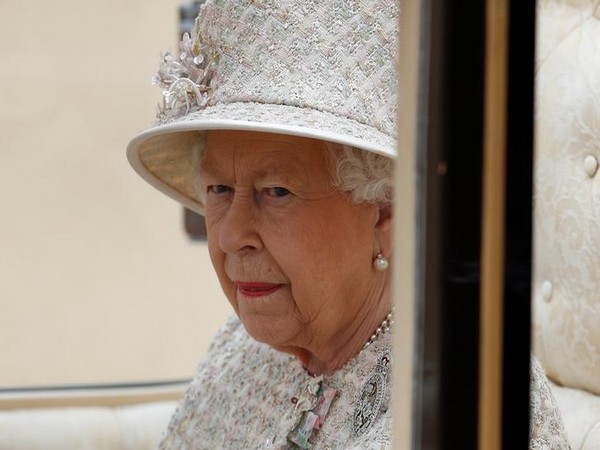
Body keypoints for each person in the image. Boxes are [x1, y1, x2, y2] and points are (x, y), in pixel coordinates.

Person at [126, 0, 569, 448]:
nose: (230, 234)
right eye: (220, 189)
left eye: (277, 191)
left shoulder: (464, 399)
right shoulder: (239, 353)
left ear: (385, 211)